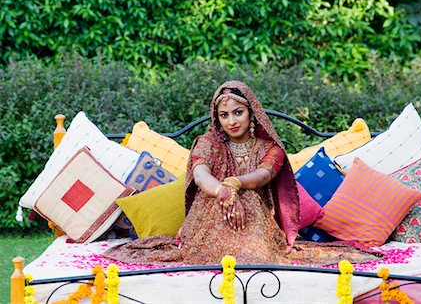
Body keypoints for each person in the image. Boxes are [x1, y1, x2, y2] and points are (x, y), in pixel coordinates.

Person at [104, 81, 380, 265]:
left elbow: (263, 175)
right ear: (217, 118)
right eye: (224, 115)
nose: (232, 121)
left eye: (238, 112)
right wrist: (223, 190)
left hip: (255, 222)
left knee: (248, 199)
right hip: (210, 216)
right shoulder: (207, 143)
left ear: (252, 113)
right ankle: (223, 259)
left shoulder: (270, 148)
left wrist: (235, 183)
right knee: (222, 198)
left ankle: (247, 261)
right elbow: (200, 176)